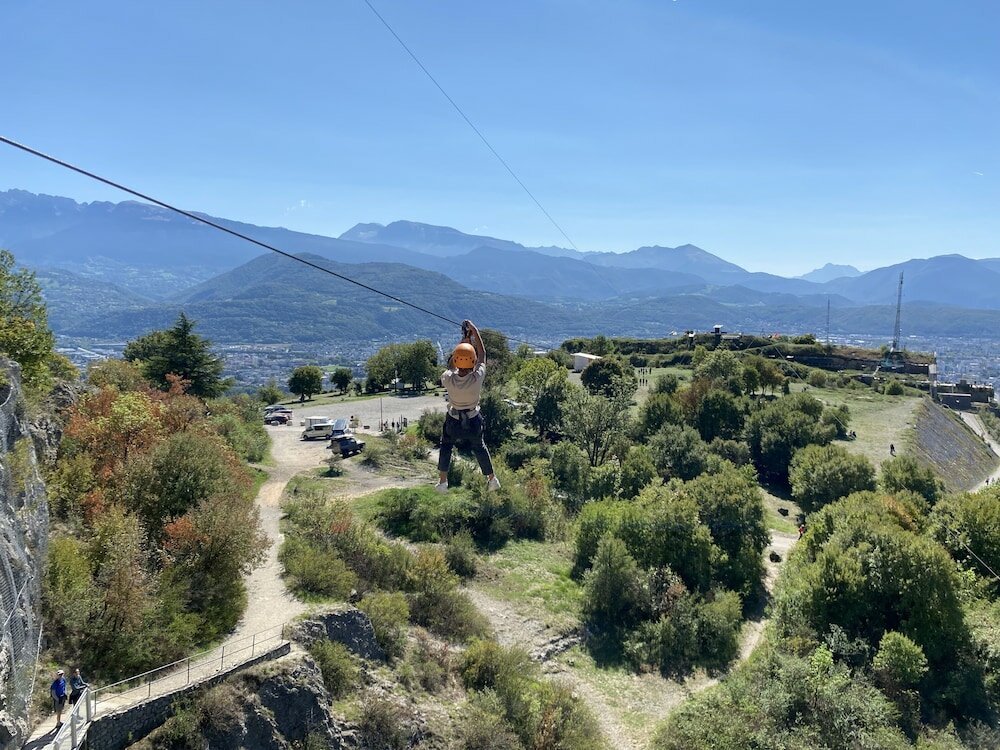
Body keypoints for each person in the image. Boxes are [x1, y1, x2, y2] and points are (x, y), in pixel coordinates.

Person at [437, 319, 499, 493]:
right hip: (472, 420)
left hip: (454, 420)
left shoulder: (448, 378)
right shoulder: (476, 378)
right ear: (471, 362)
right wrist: (474, 331)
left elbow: (451, 363)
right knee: (479, 447)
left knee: (446, 446)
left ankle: (443, 481)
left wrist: (463, 341)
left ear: (457, 360)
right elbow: (482, 354)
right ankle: (492, 479)